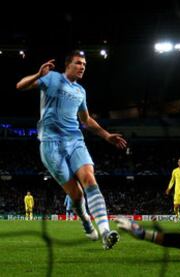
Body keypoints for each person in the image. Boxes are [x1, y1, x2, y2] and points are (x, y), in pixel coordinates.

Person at [16, 51, 127, 250]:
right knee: (76, 196)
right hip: (50, 144)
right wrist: (38, 75)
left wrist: (106, 135)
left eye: (84, 64)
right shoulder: (51, 78)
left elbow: (85, 120)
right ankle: (85, 221)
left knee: (89, 179)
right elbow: (20, 86)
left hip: (75, 140)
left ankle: (105, 232)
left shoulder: (80, 91)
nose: (82, 66)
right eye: (78, 63)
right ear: (68, 65)